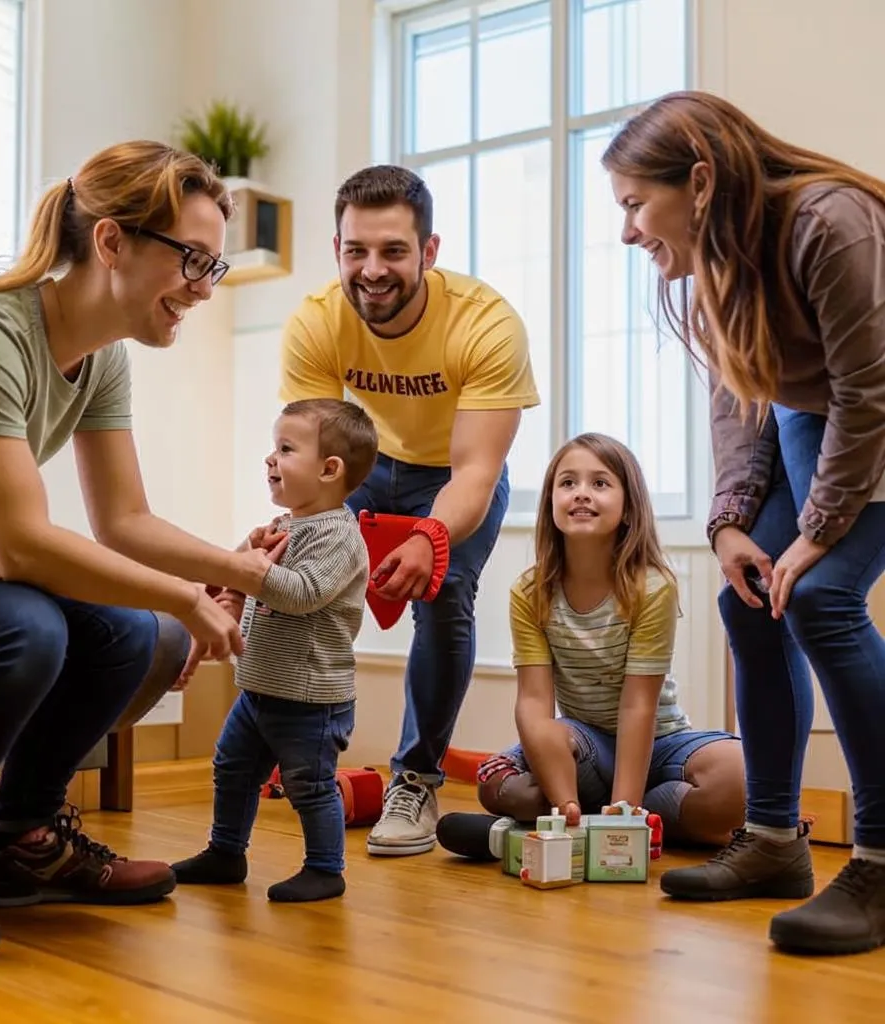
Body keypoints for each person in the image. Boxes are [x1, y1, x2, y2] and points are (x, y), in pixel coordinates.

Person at [0, 140, 285, 962]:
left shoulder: (101, 361)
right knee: (24, 632)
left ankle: (24, 841)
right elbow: (22, 545)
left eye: (215, 267)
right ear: (112, 242)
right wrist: (180, 594)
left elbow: (124, 519)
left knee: (137, 633)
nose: (201, 287)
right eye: (192, 259)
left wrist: (240, 574)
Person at [602, 89, 885, 956]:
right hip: (824, 413)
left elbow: (868, 393)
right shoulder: (720, 260)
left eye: (633, 206)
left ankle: (879, 860)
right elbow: (741, 396)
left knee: (822, 595)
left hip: (874, 405)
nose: (626, 232)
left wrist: (821, 528)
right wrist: (730, 522)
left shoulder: (831, 224)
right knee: (752, 599)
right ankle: (773, 843)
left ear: (698, 182)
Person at [278, 165, 540, 857]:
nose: (372, 270)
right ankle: (295, 755)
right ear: (336, 249)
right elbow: (312, 455)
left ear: (429, 251)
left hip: (450, 471)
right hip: (361, 464)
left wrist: (429, 534)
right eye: (355, 251)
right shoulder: (316, 320)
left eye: (393, 251)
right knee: (301, 580)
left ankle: (416, 779)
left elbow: (477, 469)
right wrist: (293, 536)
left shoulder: (486, 324)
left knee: (446, 594)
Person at [475, 433, 745, 847]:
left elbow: (639, 705)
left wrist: (623, 816)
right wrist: (563, 799)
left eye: (599, 483)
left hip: (662, 743)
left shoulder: (652, 587)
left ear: (628, 507)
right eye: (568, 483)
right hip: (584, 745)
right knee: (502, 790)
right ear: (551, 502)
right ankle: (576, 813)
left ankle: (624, 811)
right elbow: (533, 703)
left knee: (741, 778)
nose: (581, 493)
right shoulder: (529, 593)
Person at [172, 398, 378, 902]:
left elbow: (303, 592)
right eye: (273, 447)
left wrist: (256, 569)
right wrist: (250, 548)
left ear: (330, 470)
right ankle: (225, 851)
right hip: (260, 686)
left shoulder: (340, 537)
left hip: (310, 695)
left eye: (285, 449)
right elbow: (238, 567)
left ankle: (326, 868)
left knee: (309, 784)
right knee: (233, 768)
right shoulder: (285, 525)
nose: (270, 459)